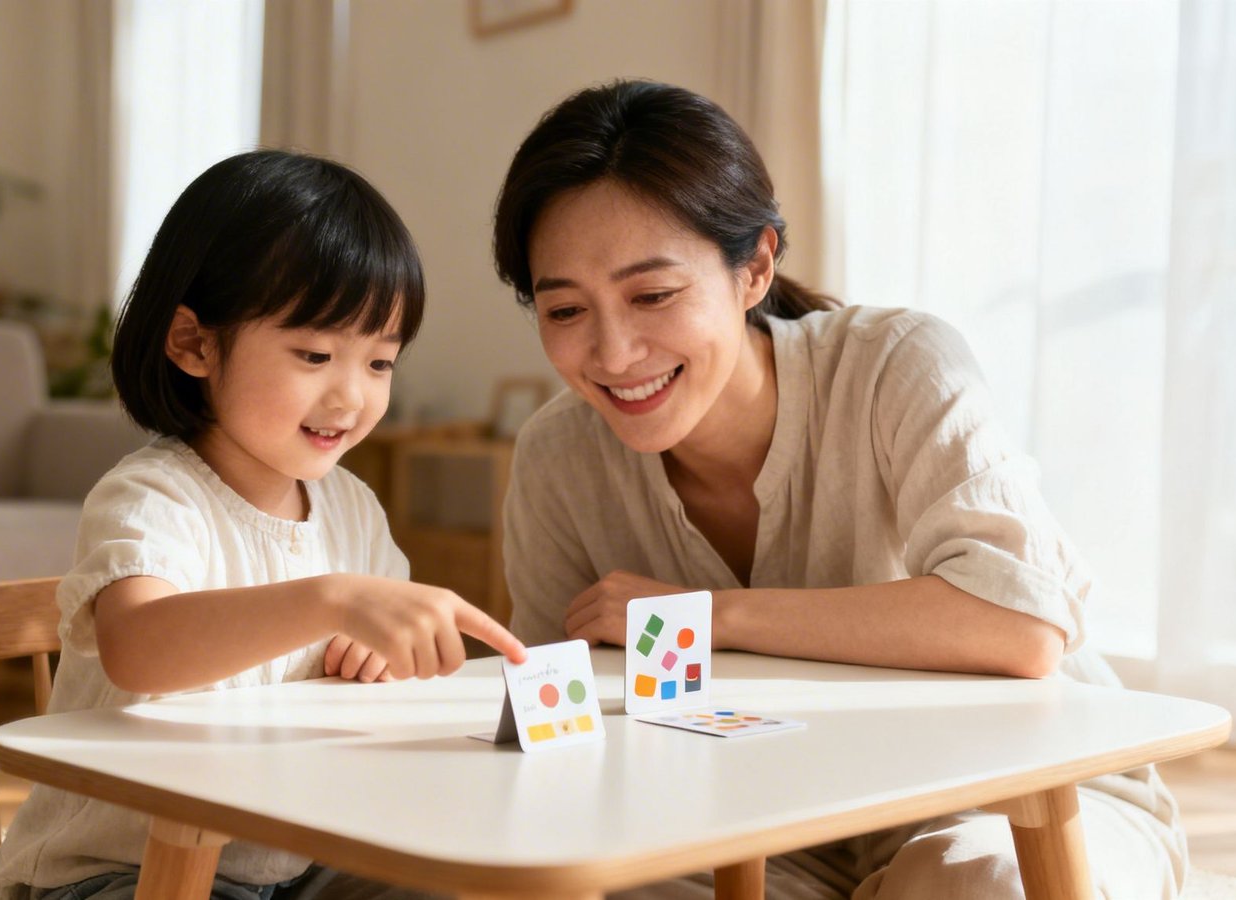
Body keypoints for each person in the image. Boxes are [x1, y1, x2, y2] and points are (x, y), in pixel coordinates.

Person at [493, 80, 1184, 899]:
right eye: (565, 310)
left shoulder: (898, 363)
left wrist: (706, 616)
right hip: (764, 829)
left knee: (974, 886)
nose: (611, 354)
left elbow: (1021, 625)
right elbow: (554, 722)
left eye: (653, 295)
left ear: (754, 267)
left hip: (1015, 801)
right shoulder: (556, 456)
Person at [0, 150, 525, 900]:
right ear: (194, 343)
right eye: (315, 354)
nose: (352, 396)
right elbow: (138, 648)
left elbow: (384, 663)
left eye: (379, 363)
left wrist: (382, 659)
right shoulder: (153, 495)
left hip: (291, 860)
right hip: (121, 870)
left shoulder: (352, 507)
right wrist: (331, 599)